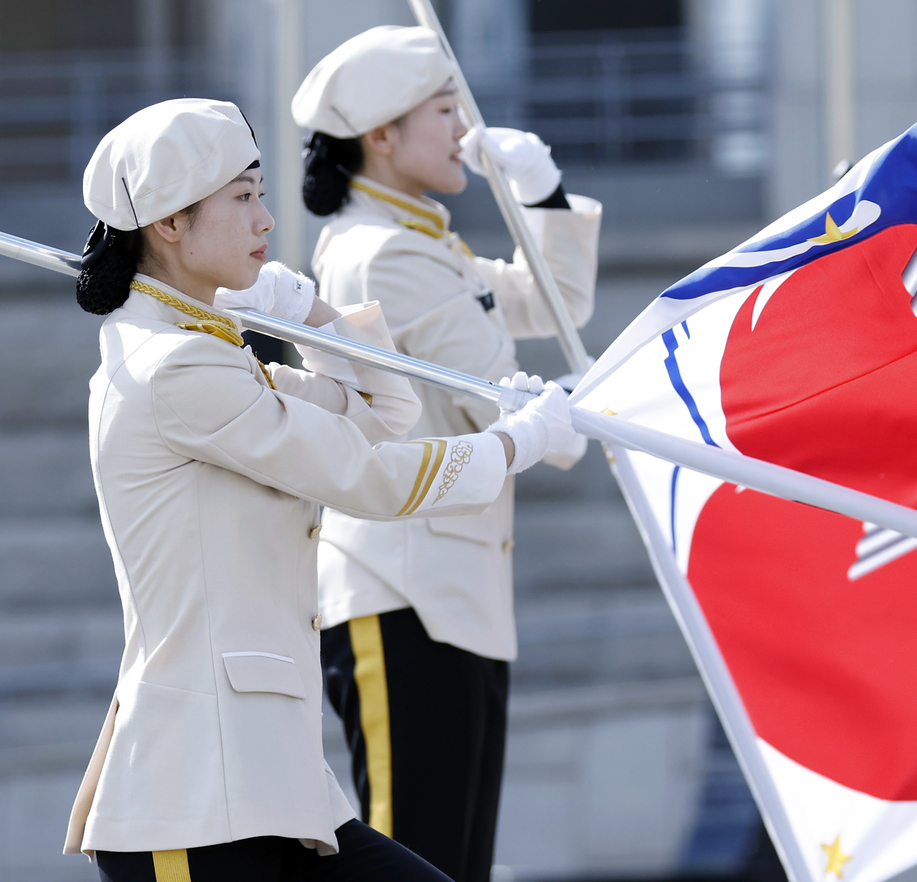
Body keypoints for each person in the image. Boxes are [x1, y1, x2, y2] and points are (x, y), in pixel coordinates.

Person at [64, 97, 579, 881]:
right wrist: (515, 444)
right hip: (192, 796)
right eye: (242, 198)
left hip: (273, 791)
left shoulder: (211, 356)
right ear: (168, 224)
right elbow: (366, 476)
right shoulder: (176, 368)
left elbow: (385, 412)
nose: (266, 220)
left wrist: (317, 316)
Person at [291, 26, 601, 882]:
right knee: (417, 862)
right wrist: (572, 421)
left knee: (452, 867)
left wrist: (540, 193)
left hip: (447, 594)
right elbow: (498, 390)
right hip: (404, 595)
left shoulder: (424, 242)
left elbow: (559, 308)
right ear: (381, 138)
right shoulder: (381, 254)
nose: (465, 126)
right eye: (445, 108)